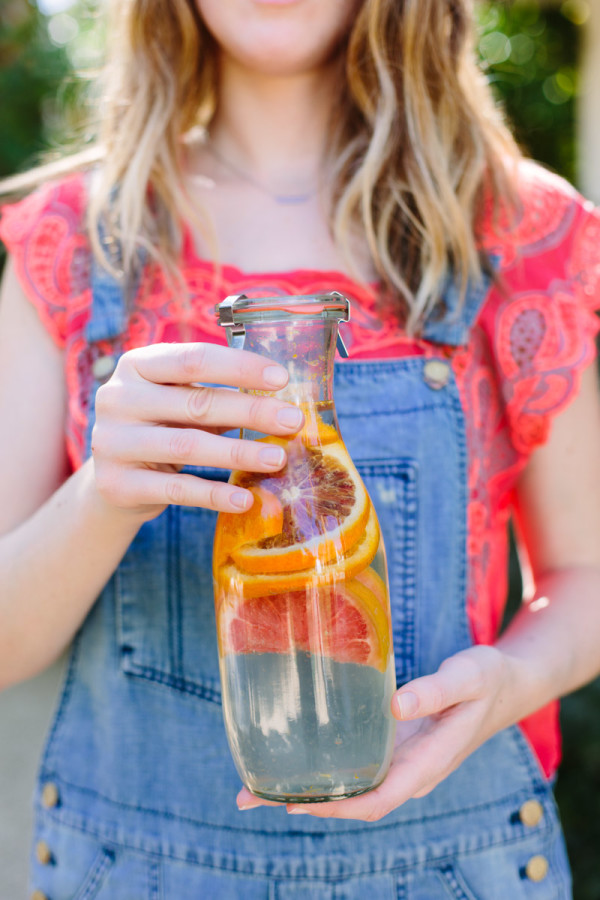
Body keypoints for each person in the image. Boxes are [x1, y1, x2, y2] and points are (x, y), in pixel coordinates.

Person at [0, 0, 599, 896]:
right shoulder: (76, 241)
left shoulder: (513, 230)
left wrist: (509, 681)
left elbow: (584, 572)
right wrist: (101, 496)